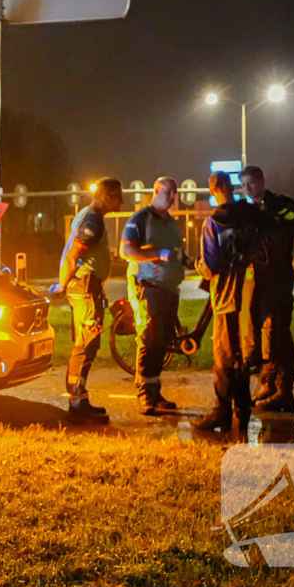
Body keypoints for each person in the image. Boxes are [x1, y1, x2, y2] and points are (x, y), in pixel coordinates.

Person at [239, 165, 294, 413]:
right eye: (244, 185)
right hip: (256, 279)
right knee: (262, 332)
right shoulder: (248, 210)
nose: (248, 188)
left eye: (251, 183)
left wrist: (277, 225)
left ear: (262, 181)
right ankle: (268, 382)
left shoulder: (281, 205)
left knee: (278, 331)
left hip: (279, 277)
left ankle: (285, 390)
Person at [193, 172, 264, 431]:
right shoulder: (251, 215)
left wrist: (199, 266)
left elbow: (210, 267)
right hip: (251, 295)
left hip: (224, 297)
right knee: (245, 353)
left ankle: (222, 411)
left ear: (213, 191)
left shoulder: (214, 222)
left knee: (224, 356)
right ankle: (243, 411)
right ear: (231, 187)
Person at [52, 177, 124, 423]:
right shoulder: (93, 221)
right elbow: (73, 255)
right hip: (85, 287)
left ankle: (78, 400)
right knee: (86, 343)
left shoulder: (87, 215)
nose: (122, 200)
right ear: (105, 196)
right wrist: (63, 284)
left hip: (87, 286)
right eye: (118, 196)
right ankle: (77, 402)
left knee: (86, 343)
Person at [119, 177, 188, 415]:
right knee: (149, 339)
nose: (172, 197)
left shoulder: (171, 223)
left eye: (174, 193)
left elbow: (178, 254)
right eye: (168, 192)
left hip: (170, 288)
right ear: (156, 191)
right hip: (148, 287)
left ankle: (155, 391)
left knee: (163, 342)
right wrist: (157, 254)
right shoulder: (141, 218)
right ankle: (144, 395)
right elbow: (126, 250)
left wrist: (192, 262)